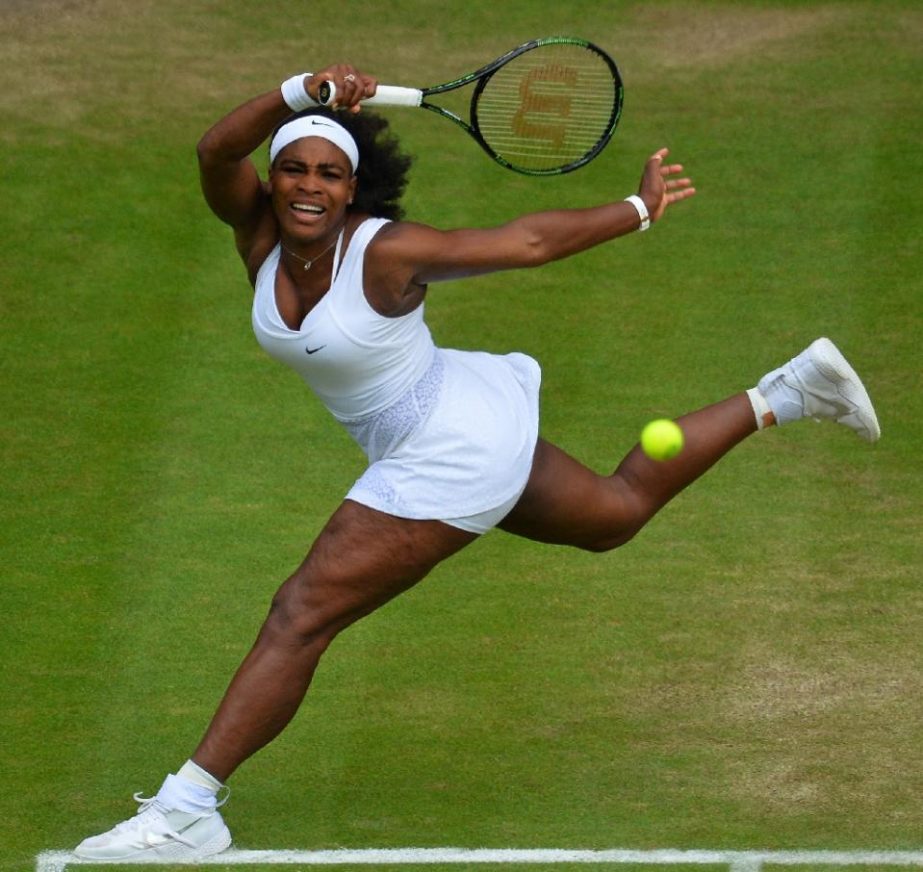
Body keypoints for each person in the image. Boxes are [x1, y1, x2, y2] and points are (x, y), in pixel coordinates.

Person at [74, 64, 880, 861]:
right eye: (292, 168)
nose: (308, 186)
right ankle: (790, 391)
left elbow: (523, 242)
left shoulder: (384, 253)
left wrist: (636, 208)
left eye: (329, 173)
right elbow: (216, 150)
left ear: (354, 189)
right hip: (446, 423)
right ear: (273, 180)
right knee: (612, 514)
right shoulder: (256, 235)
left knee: (300, 614)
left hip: (445, 447)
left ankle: (188, 810)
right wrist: (298, 92)